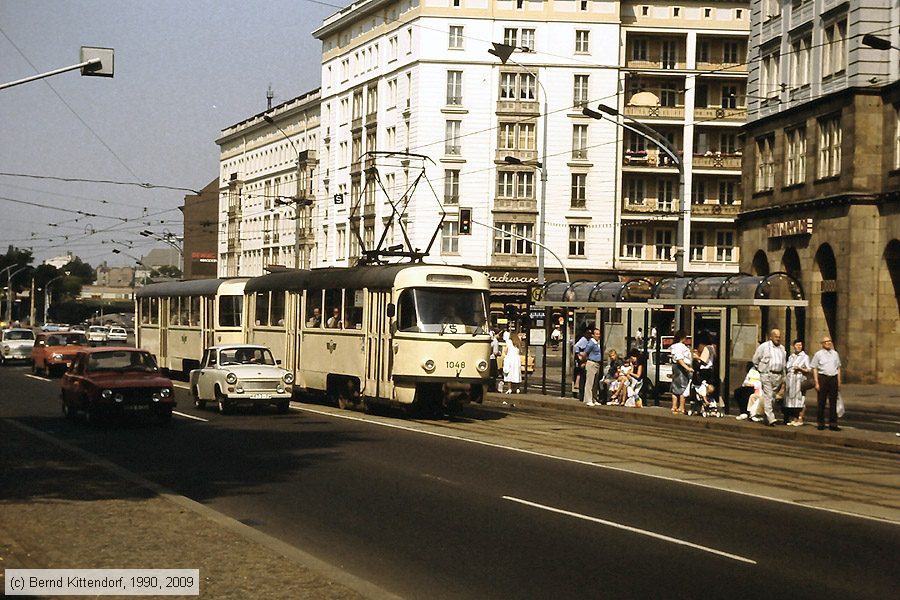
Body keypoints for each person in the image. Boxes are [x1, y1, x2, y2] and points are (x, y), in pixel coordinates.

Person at [752, 328, 787, 426]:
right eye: (776, 337)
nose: (778, 339)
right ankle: (771, 418)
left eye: (779, 337)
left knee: (772, 397)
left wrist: (783, 377)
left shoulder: (782, 348)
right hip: (767, 374)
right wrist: (761, 370)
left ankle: (766, 417)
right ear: (771, 337)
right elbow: (755, 359)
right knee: (769, 395)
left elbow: (784, 363)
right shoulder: (764, 347)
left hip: (778, 375)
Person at [810, 336, 842, 431]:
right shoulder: (818, 354)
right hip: (823, 378)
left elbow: (838, 367)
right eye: (826, 342)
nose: (828, 343)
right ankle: (820, 423)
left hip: (833, 378)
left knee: (833, 402)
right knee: (821, 402)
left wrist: (839, 381)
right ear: (822, 343)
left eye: (829, 341)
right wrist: (816, 382)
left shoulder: (835, 354)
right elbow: (814, 368)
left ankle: (833, 423)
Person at [785, 339, 811, 426]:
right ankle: (795, 418)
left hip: (799, 380)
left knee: (800, 400)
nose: (799, 347)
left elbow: (809, 370)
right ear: (794, 346)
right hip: (790, 381)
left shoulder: (805, 357)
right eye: (797, 345)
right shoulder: (791, 357)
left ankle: (800, 418)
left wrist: (800, 369)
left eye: (800, 345)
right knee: (792, 401)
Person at [669, 330, 693, 414]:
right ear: (682, 338)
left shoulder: (674, 346)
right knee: (683, 388)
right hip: (681, 368)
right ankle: (681, 407)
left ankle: (674, 406)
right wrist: (687, 368)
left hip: (675, 367)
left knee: (675, 387)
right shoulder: (680, 346)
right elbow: (680, 359)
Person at [581, 329, 604, 406]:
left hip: (597, 364)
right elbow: (585, 353)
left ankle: (594, 398)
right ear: (593, 335)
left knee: (595, 383)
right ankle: (588, 399)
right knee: (589, 382)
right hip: (592, 363)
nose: (598, 335)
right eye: (596, 334)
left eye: (599, 334)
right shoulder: (591, 343)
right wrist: (584, 361)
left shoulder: (597, 343)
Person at [572, 325, 591, 401]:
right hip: (582, 360)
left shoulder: (588, 340)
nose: (589, 335)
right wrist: (579, 355)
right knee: (581, 375)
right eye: (588, 333)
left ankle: (580, 392)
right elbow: (576, 346)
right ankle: (581, 393)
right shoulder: (584, 339)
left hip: (584, 359)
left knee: (581, 375)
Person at [502, 331, 523, 395]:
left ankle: (509, 389)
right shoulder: (518, 342)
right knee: (517, 373)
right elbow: (521, 351)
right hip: (516, 359)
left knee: (509, 374)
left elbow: (505, 350)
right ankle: (517, 389)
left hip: (510, 358)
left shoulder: (508, 342)